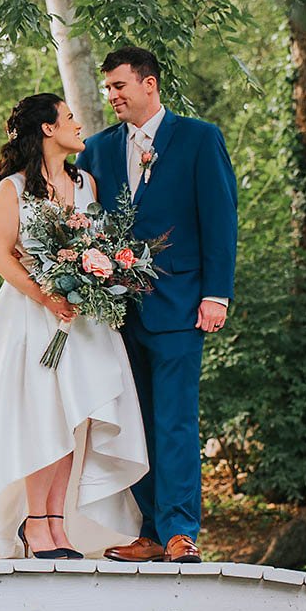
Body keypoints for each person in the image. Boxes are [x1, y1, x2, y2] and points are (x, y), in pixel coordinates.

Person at [0, 93, 148, 561]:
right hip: (29, 314)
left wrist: (92, 278)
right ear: (47, 129)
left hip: (80, 319)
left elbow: (93, 242)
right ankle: (34, 525)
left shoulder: (86, 186)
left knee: (74, 418)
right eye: (69, 118)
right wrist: (48, 295)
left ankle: (57, 524)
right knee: (41, 416)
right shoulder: (13, 189)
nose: (78, 124)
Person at [77, 47, 238, 563]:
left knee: (175, 421)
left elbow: (219, 217)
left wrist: (217, 293)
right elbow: (84, 224)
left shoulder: (198, 138)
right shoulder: (97, 150)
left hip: (182, 306)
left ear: (151, 84)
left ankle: (180, 531)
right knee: (136, 424)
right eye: (108, 88)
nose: (113, 95)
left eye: (120, 85)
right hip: (117, 313)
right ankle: (146, 530)